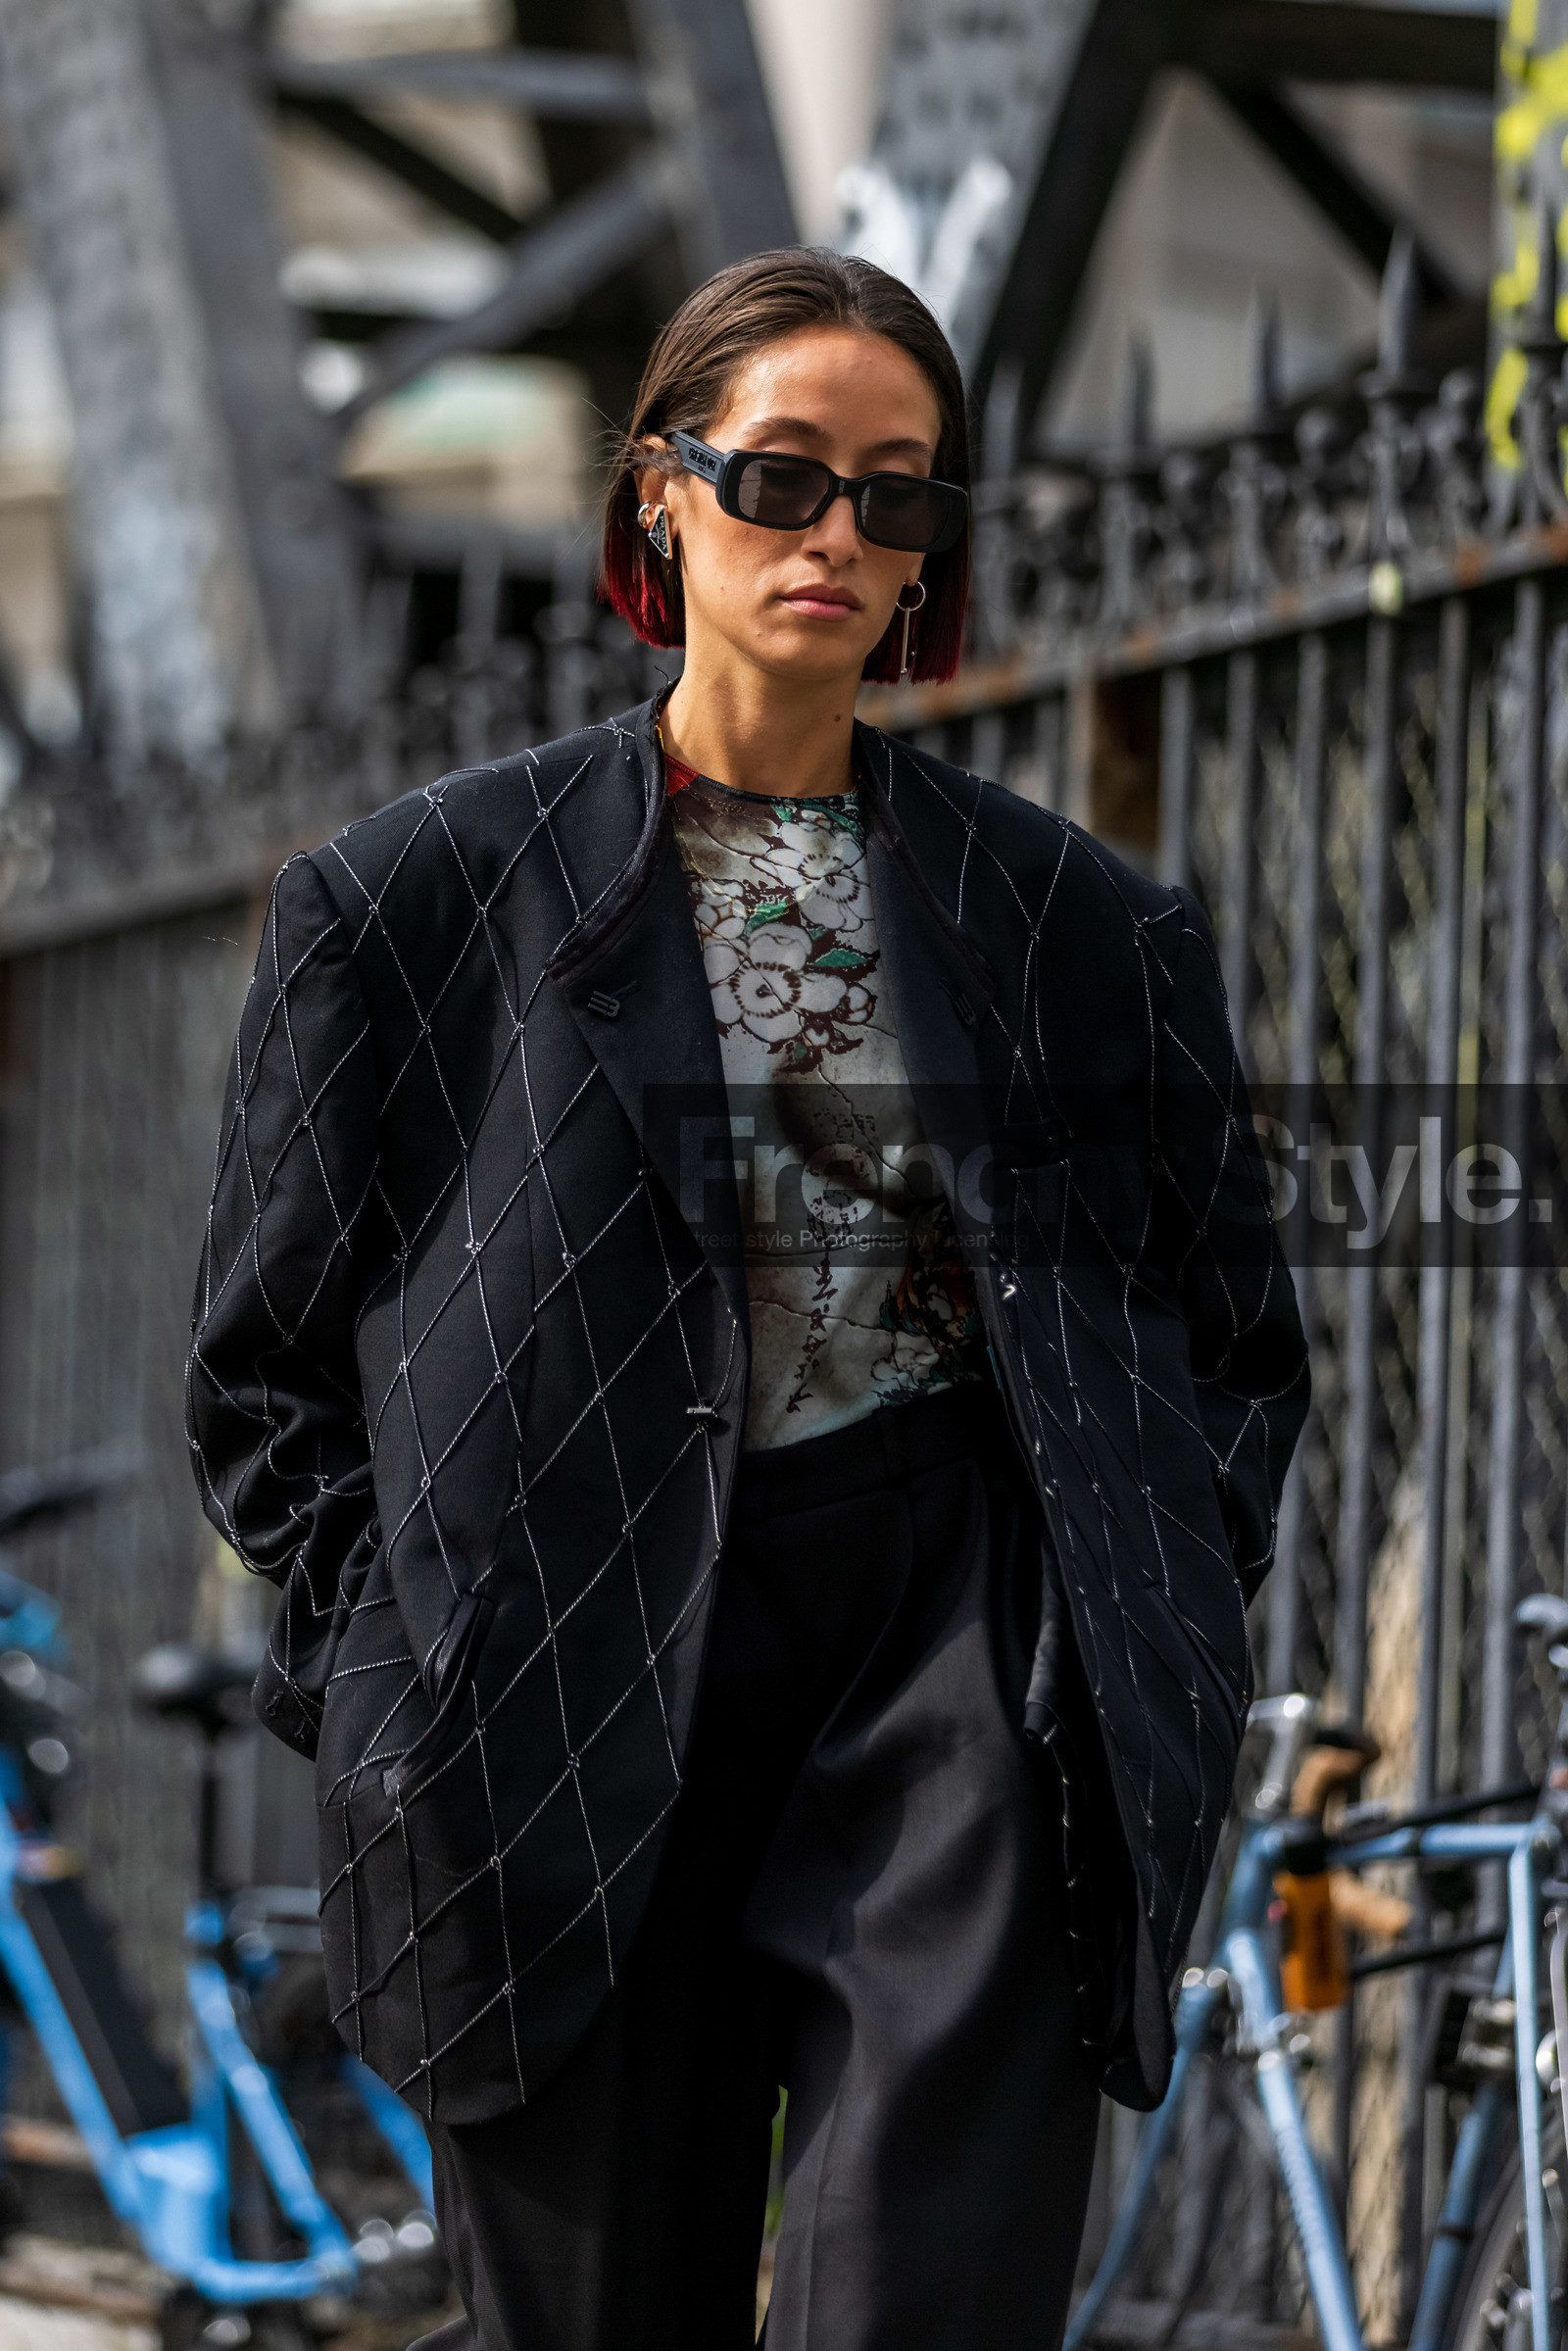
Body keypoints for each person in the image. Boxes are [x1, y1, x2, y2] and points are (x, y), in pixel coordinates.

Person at [185, 248, 1308, 2351]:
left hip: (954, 1660)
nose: (838, 539)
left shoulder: (1079, 927)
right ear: (657, 493)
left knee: (926, 2308)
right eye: (782, 476)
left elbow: (1226, 1336)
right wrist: (405, 1676)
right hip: (547, 1682)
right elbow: (264, 1377)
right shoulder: (411, 903)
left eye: (898, 496)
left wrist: (1131, 1605)